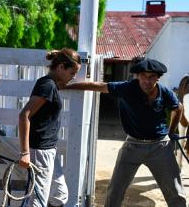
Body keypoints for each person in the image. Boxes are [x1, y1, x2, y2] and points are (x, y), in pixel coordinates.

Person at [63, 58, 187, 207]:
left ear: (158, 77)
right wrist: (66, 86)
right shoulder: (126, 88)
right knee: (115, 189)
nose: (147, 81)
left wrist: (171, 131)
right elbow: (97, 86)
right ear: (137, 76)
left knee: (176, 192)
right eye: (143, 76)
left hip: (160, 146)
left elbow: (178, 107)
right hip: (133, 145)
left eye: (152, 77)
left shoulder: (164, 92)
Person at [18, 48, 81, 207]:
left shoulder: (51, 84)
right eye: (72, 73)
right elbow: (24, 115)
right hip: (40, 151)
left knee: (60, 196)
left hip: (49, 150)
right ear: (60, 68)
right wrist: (25, 153)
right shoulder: (47, 86)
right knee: (37, 201)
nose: (73, 78)